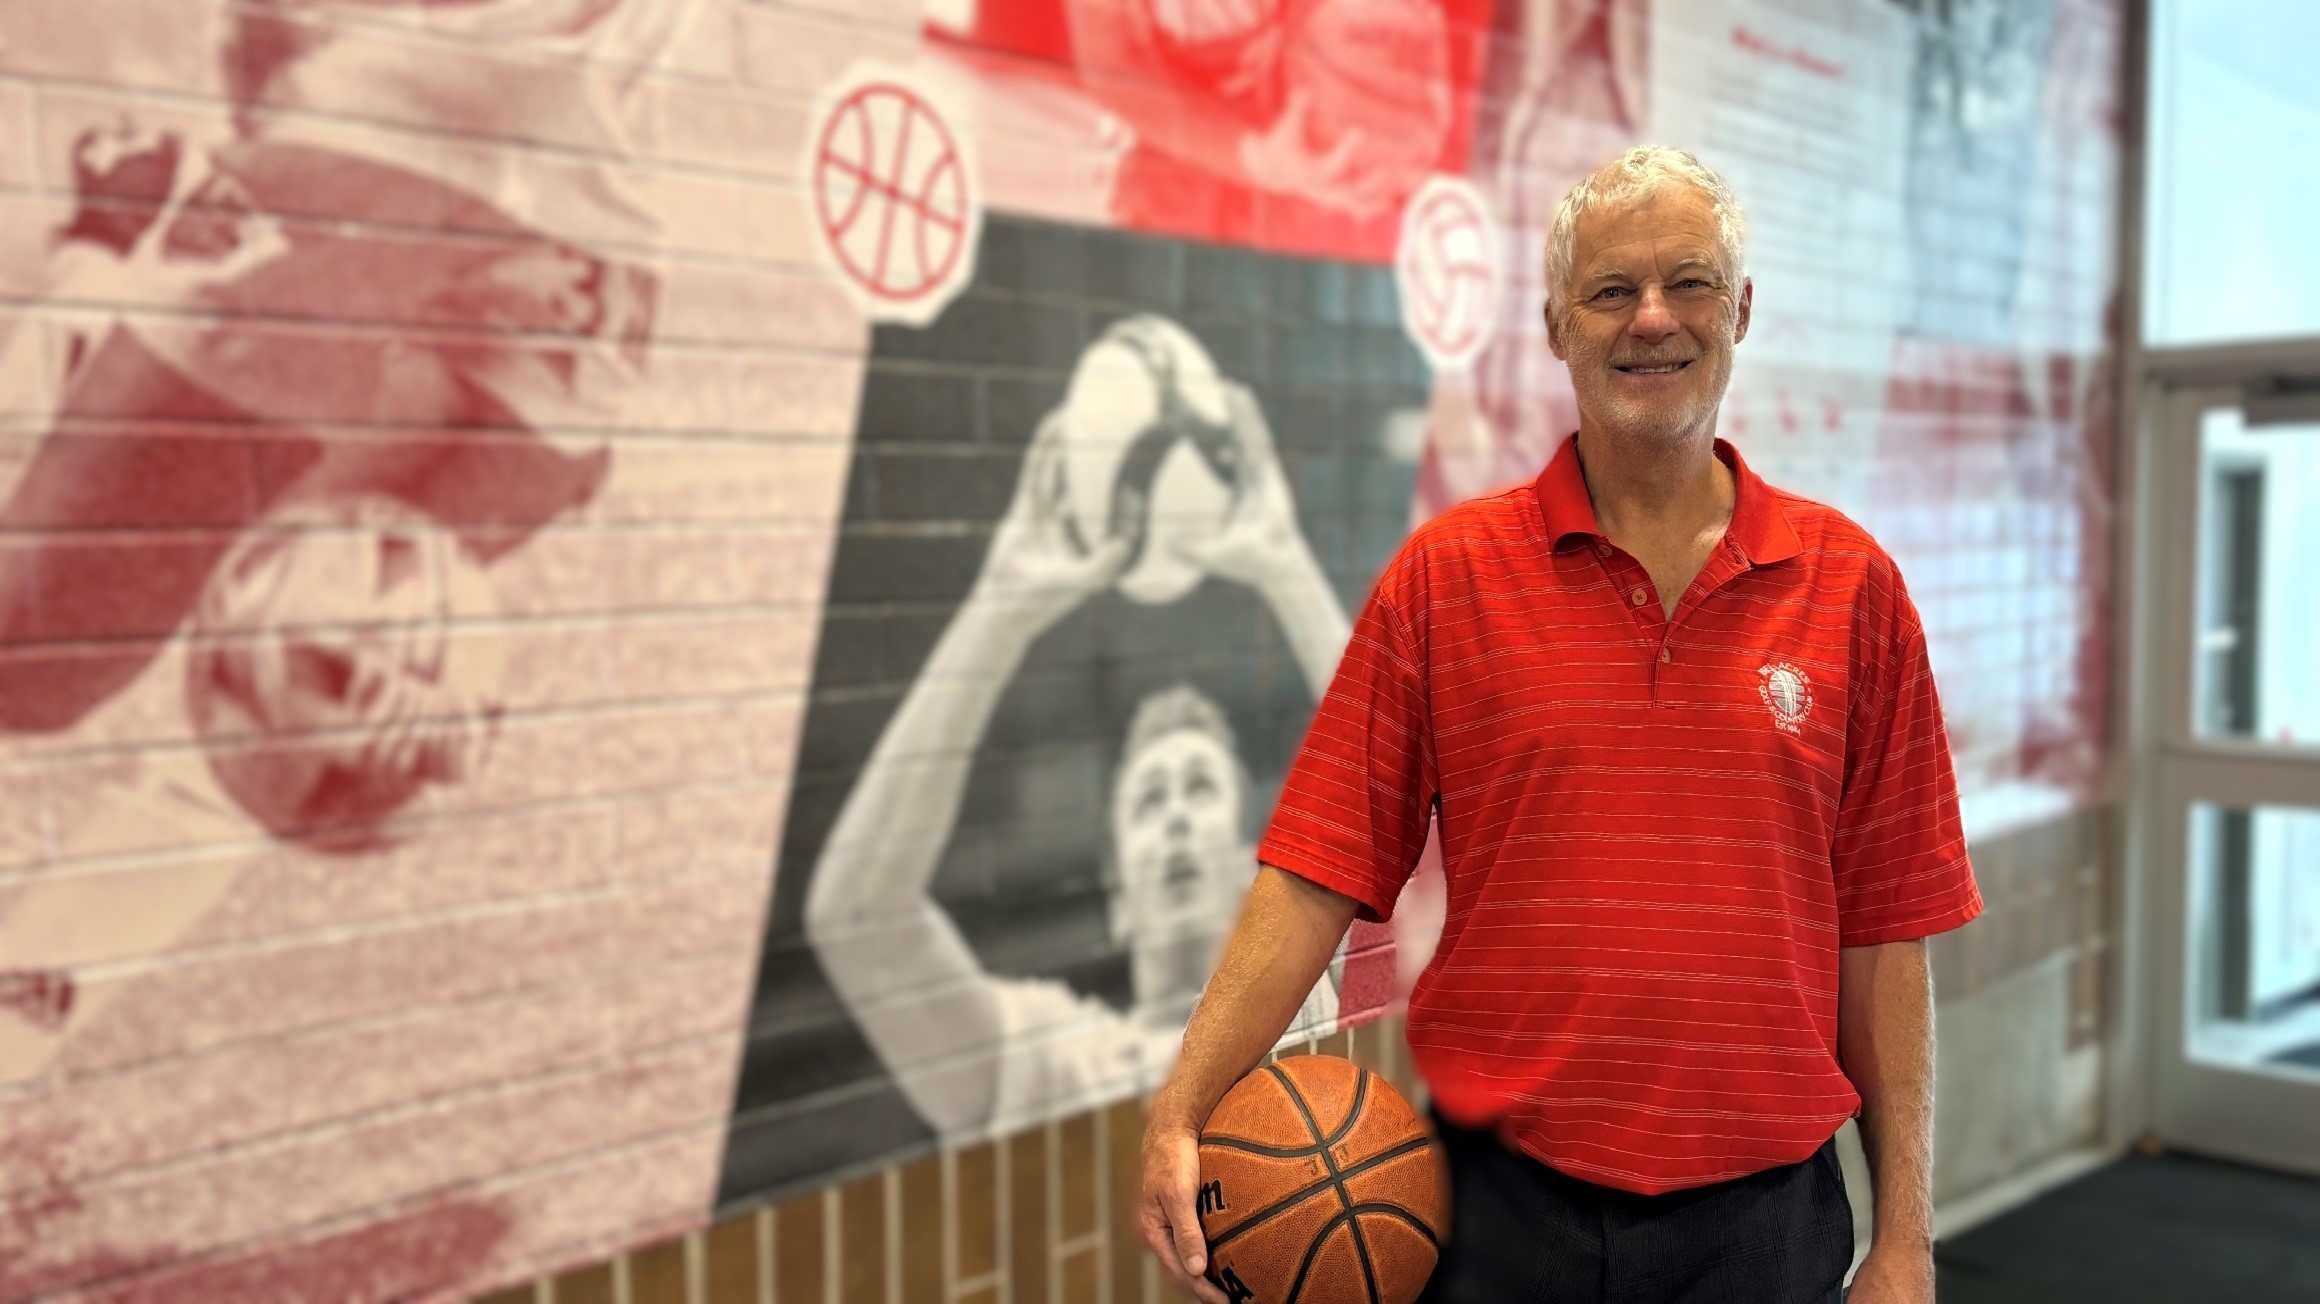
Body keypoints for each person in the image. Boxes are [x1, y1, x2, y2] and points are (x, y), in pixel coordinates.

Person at [1138, 145, 1980, 1304]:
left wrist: (1905, 1235)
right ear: (1555, 326)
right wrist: (1182, 1106)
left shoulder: (1851, 588)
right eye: (1608, 290)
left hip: (1764, 1223)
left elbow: (1889, 930)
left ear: (1739, 308)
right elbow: (1312, 870)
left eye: (1688, 281)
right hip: (1498, 1210)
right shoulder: (1445, 578)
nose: (1651, 319)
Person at [806, 317, 1354, 1141]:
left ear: (1258, 871)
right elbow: (857, 920)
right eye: (1147, 800)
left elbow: (1419, 825)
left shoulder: (1308, 1002)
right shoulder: (1049, 1058)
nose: (1171, 813)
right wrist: (1001, 609)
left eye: (1197, 788)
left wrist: (1284, 564)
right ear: (1115, 896)